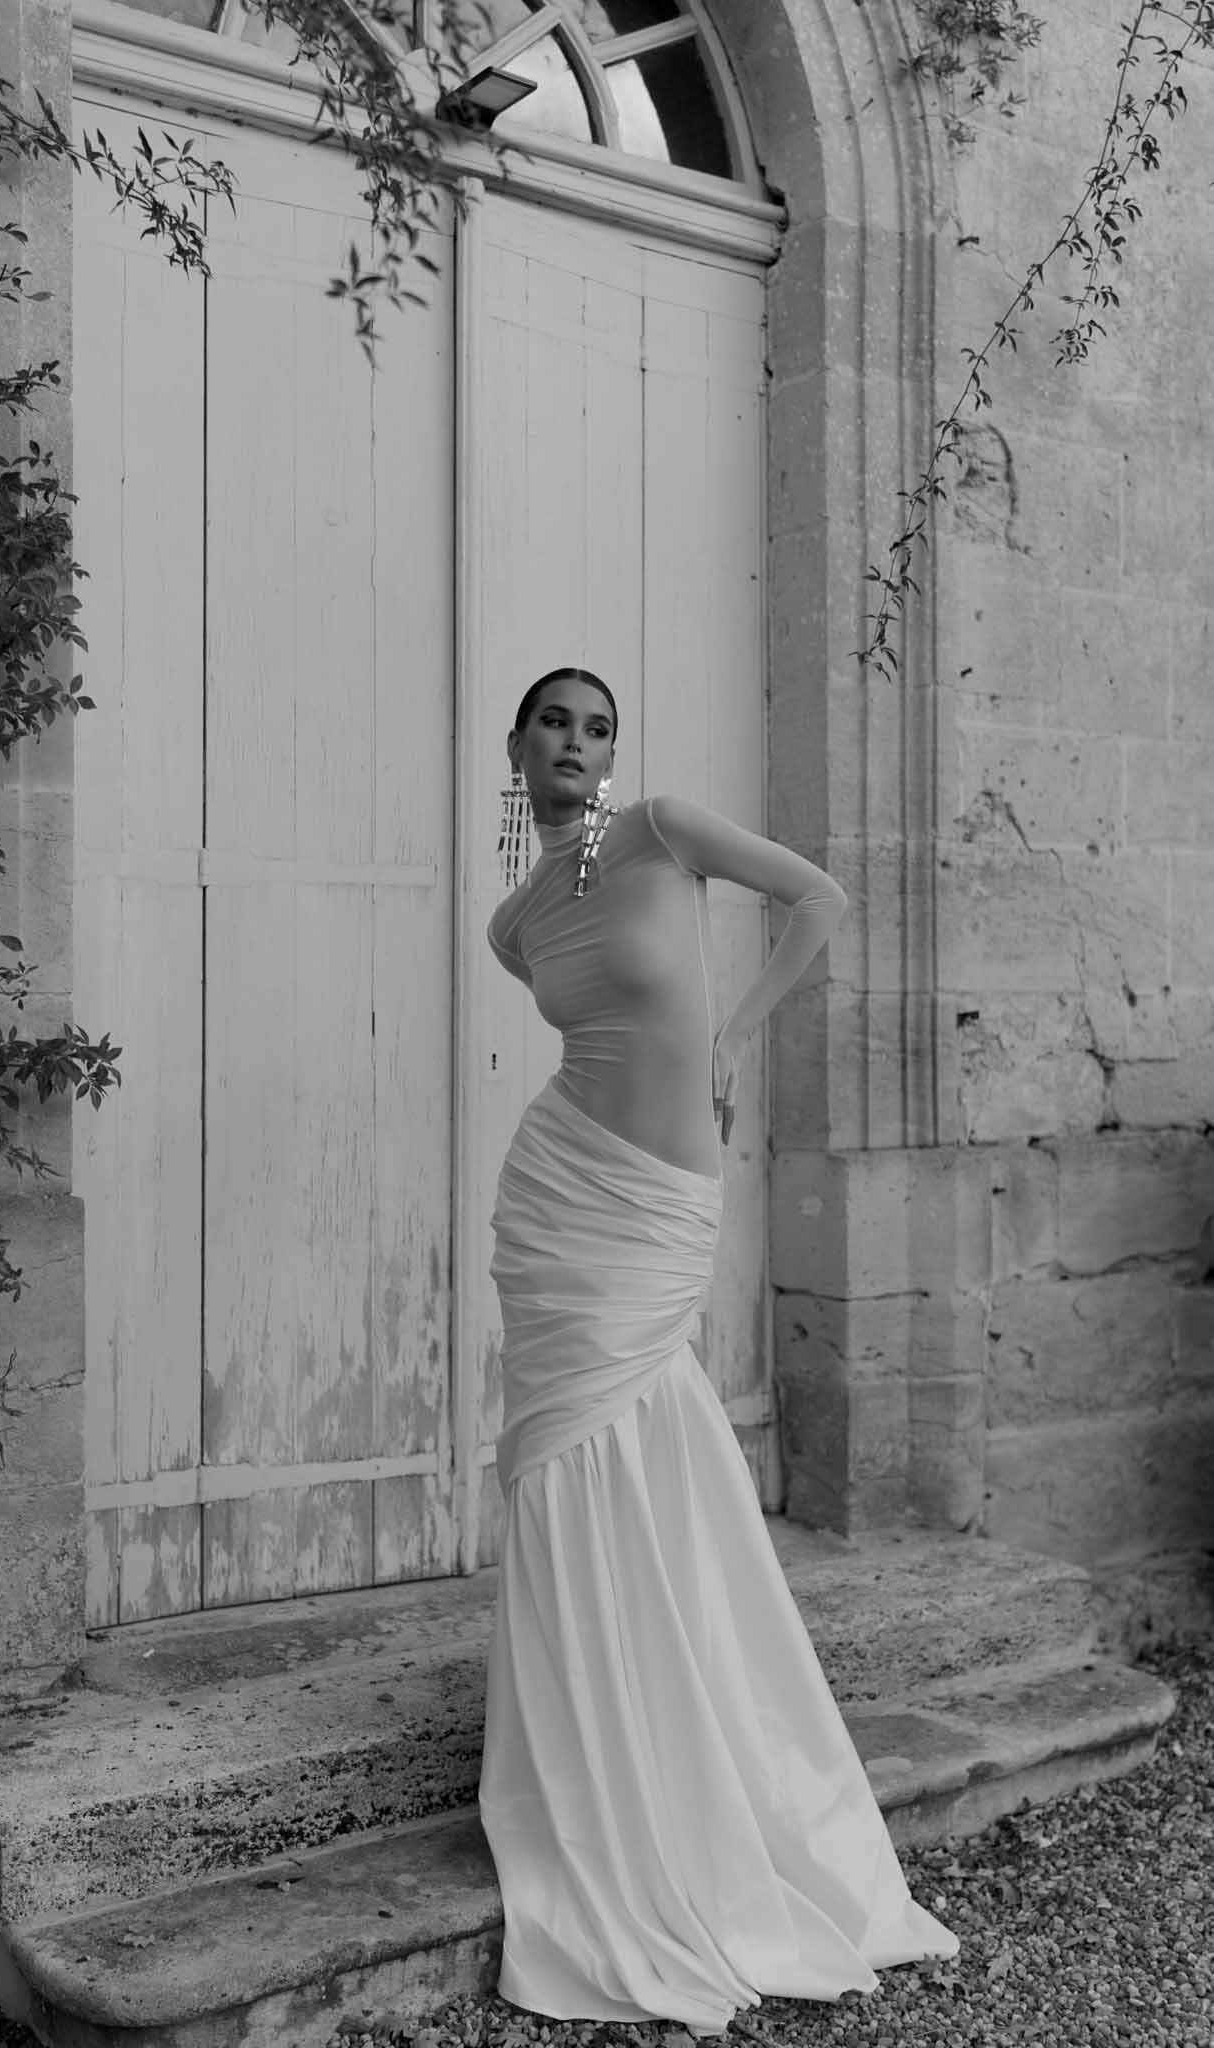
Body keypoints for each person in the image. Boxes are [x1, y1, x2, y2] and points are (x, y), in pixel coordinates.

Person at [477, 667, 958, 2033]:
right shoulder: (512, 925)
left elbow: (821, 901)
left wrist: (733, 1043)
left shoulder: (663, 832)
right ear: (514, 746)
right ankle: (589, 1752)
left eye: (598, 727)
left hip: (651, 1198)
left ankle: (692, 1751)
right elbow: (588, 1026)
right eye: (555, 724)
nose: (576, 744)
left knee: (651, 1446)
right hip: (557, 1191)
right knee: (562, 1467)